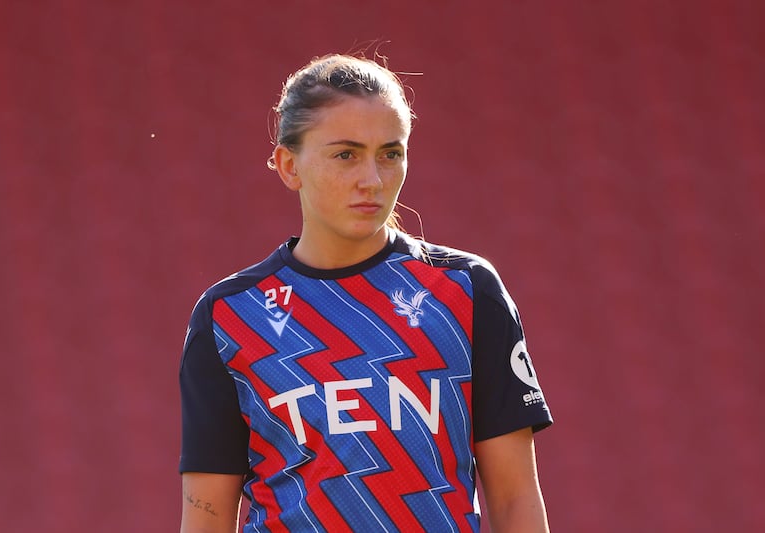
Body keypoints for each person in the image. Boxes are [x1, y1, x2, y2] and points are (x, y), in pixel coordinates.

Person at [179, 53, 553, 532]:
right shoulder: (229, 316)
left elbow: (515, 499)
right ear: (288, 165)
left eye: (390, 153)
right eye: (346, 154)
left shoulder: (467, 290)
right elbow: (205, 518)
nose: (372, 180)